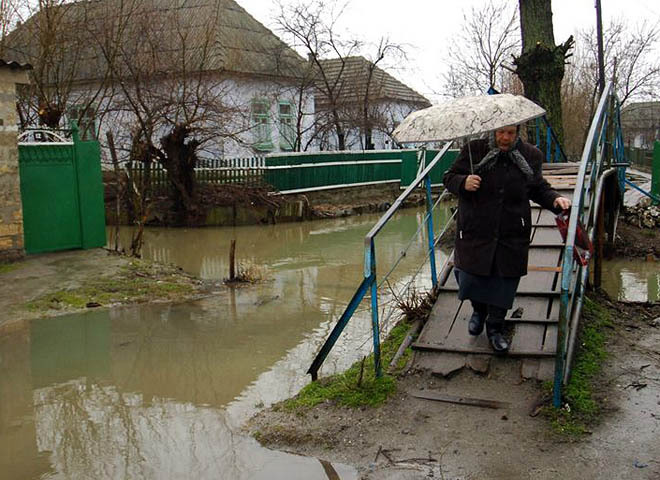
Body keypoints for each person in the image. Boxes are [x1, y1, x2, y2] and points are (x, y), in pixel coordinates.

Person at [443, 125, 572, 352]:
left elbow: (538, 188)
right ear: (494, 131)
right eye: (501, 132)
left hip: (511, 229)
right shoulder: (474, 150)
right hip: (476, 228)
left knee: (504, 282)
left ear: (518, 132)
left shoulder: (531, 155)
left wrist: (555, 200)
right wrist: (462, 182)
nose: (505, 138)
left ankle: (495, 327)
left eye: (511, 133)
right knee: (469, 276)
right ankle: (479, 310)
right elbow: (448, 177)